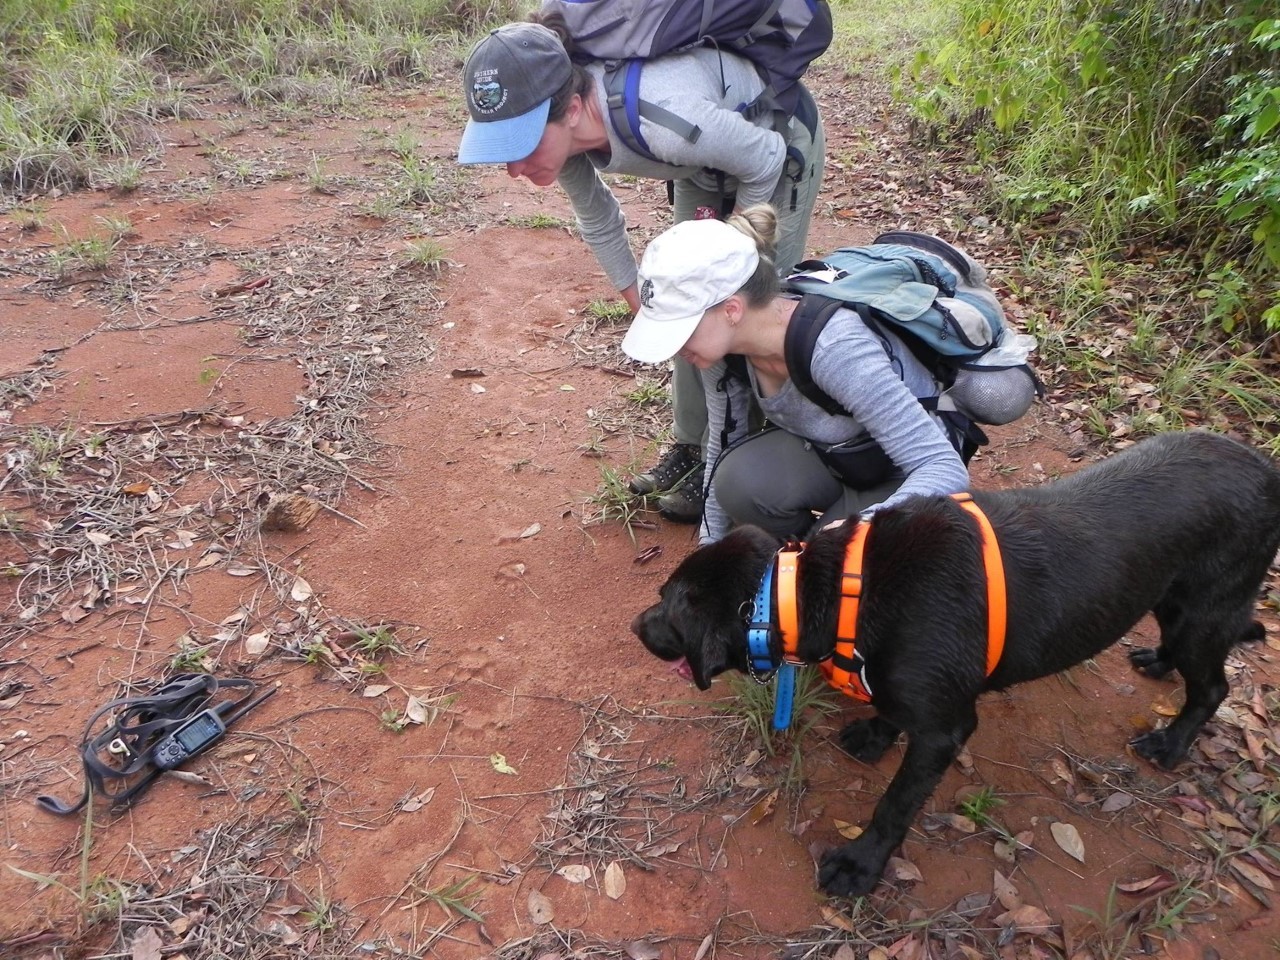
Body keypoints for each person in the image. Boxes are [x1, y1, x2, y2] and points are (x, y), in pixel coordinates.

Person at [456, 15, 825, 524]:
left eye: (521, 145)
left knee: (747, 314)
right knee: (680, 302)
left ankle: (756, 458)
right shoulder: (565, 138)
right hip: (703, 163)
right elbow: (599, 217)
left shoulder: (662, 117)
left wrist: (734, 256)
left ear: (572, 109)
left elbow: (765, 157)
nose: (513, 169)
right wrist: (643, 302)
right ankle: (696, 446)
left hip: (774, 146)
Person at [620, 206, 971, 545]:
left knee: (831, 553)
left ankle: (826, 559)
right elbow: (723, 447)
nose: (675, 346)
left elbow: (942, 468)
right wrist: (710, 545)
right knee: (738, 482)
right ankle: (804, 557)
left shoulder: (836, 347)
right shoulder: (721, 354)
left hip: (904, 471)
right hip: (835, 455)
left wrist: (847, 535)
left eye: (681, 329)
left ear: (731, 309)